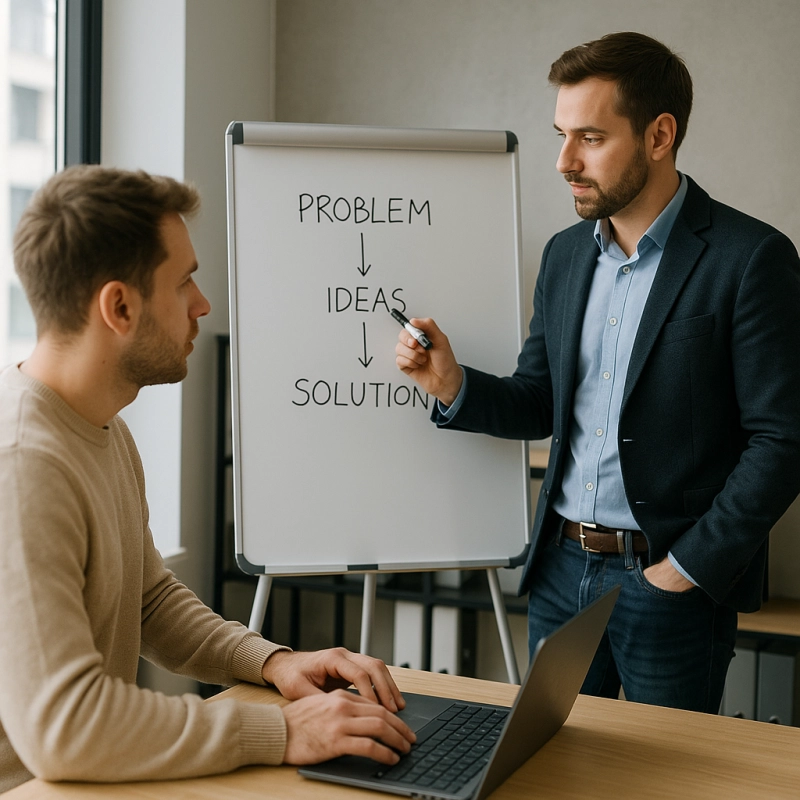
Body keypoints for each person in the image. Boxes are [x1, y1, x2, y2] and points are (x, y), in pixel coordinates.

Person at [396, 31, 800, 713]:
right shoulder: (563, 258)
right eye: (561, 135)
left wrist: (685, 570)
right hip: (559, 573)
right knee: (550, 775)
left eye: (589, 137)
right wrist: (452, 384)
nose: (563, 162)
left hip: (671, 585)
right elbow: (541, 400)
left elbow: (783, 439)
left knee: (660, 783)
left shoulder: (751, 258)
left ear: (659, 135)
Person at [0, 165, 415, 794]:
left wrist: (275, 661)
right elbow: (66, 724)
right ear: (119, 306)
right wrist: (283, 733)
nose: (203, 304)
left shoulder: (100, 426)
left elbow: (148, 601)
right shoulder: (24, 464)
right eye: (184, 280)